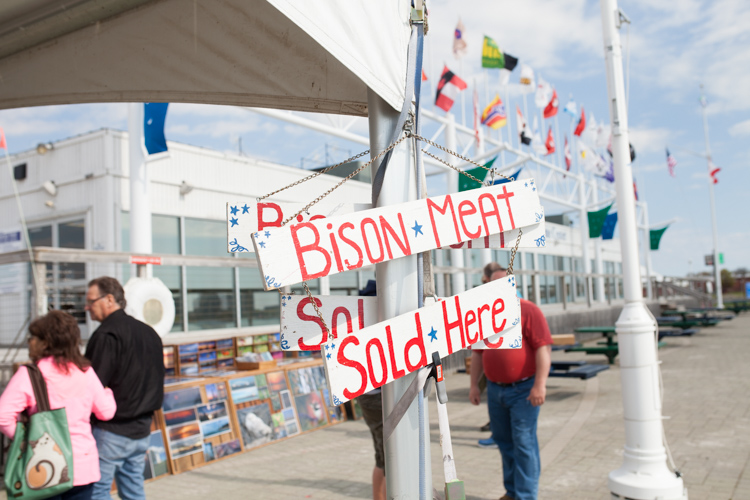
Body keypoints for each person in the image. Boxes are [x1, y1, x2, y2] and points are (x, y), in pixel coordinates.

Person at [0, 311, 117, 500]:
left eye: (33, 338)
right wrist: (108, 392)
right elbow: (107, 412)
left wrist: (29, 440)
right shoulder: (85, 371)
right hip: (83, 465)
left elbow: (3, 416)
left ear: (46, 342)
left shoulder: (31, 374)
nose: (30, 342)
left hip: (45, 467)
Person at [469, 266, 552, 500]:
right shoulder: (485, 315)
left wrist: (540, 385)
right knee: (504, 442)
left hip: (523, 390)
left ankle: (525, 495)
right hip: (495, 390)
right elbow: (477, 353)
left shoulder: (528, 310)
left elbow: (542, 349)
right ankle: (512, 491)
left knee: (524, 443)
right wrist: (474, 385)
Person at [84, 277, 165, 500]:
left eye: (91, 301)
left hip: (111, 431)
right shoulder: (150, 333)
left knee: (96, 492)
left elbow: (91, 387)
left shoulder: (106, 335)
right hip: (142, 428)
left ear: (109, 299)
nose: (87, 307)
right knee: (133, 489)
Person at [357, 279, 386, 500]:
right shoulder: (368, 326)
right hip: (376, 396)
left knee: (386, 456)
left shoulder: (360, 323)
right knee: (386, 458)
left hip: (374, 395)